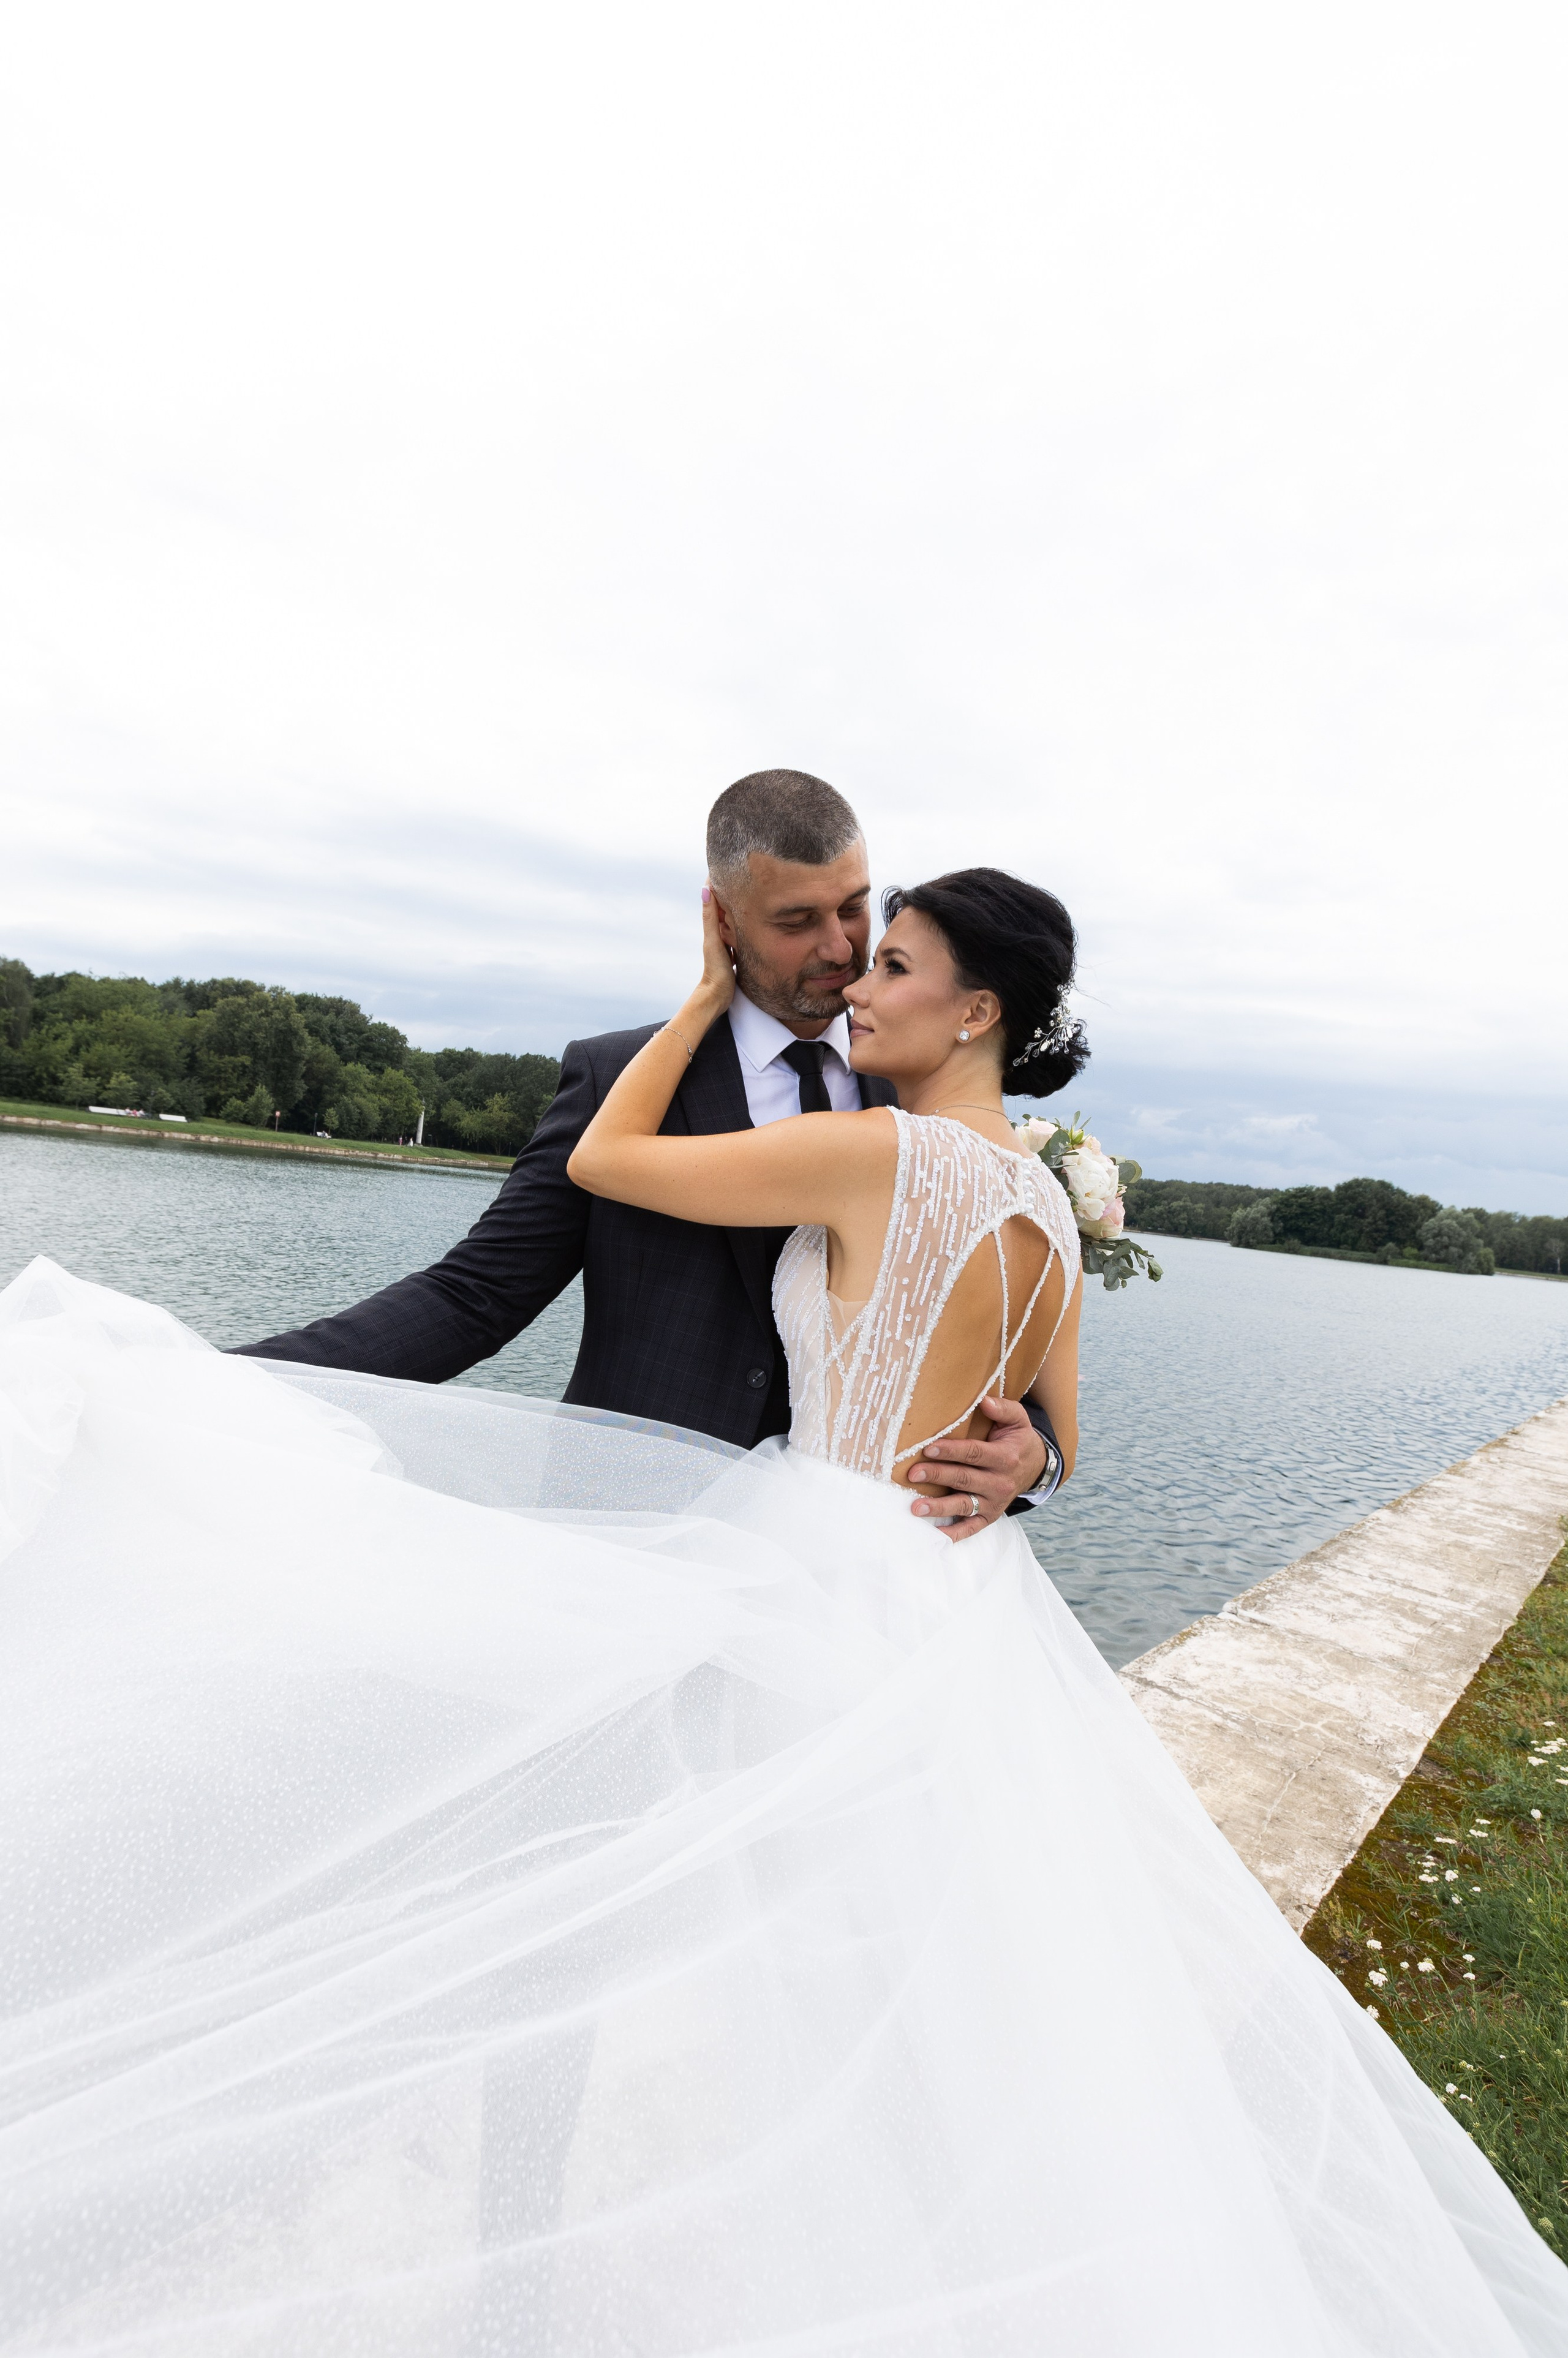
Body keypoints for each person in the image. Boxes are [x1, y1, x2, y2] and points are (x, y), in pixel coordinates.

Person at [2, 867, 1566, 2356]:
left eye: (892, 960)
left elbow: (612, 1165)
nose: (859, 979)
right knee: (900, 1975)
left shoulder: (886, 1154)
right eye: (848, 945)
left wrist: (692, 1002)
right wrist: (1019, 1450)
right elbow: (1058, 1437)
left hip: (807, 1574)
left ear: (974, 1014)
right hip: (954, 1608)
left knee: (763, 1958)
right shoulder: (1042, 1200)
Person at [232, 770, 1063, 1534]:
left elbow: (999, 1347)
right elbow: (475, 1295)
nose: (841, 949)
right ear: (726, 923)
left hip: (827, 1570)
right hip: (623, 1545)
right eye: (796, 921)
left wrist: (1036, 1461)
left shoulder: (921, 1110)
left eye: (851, 907)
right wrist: (233, 1386)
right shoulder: (615, 1080)